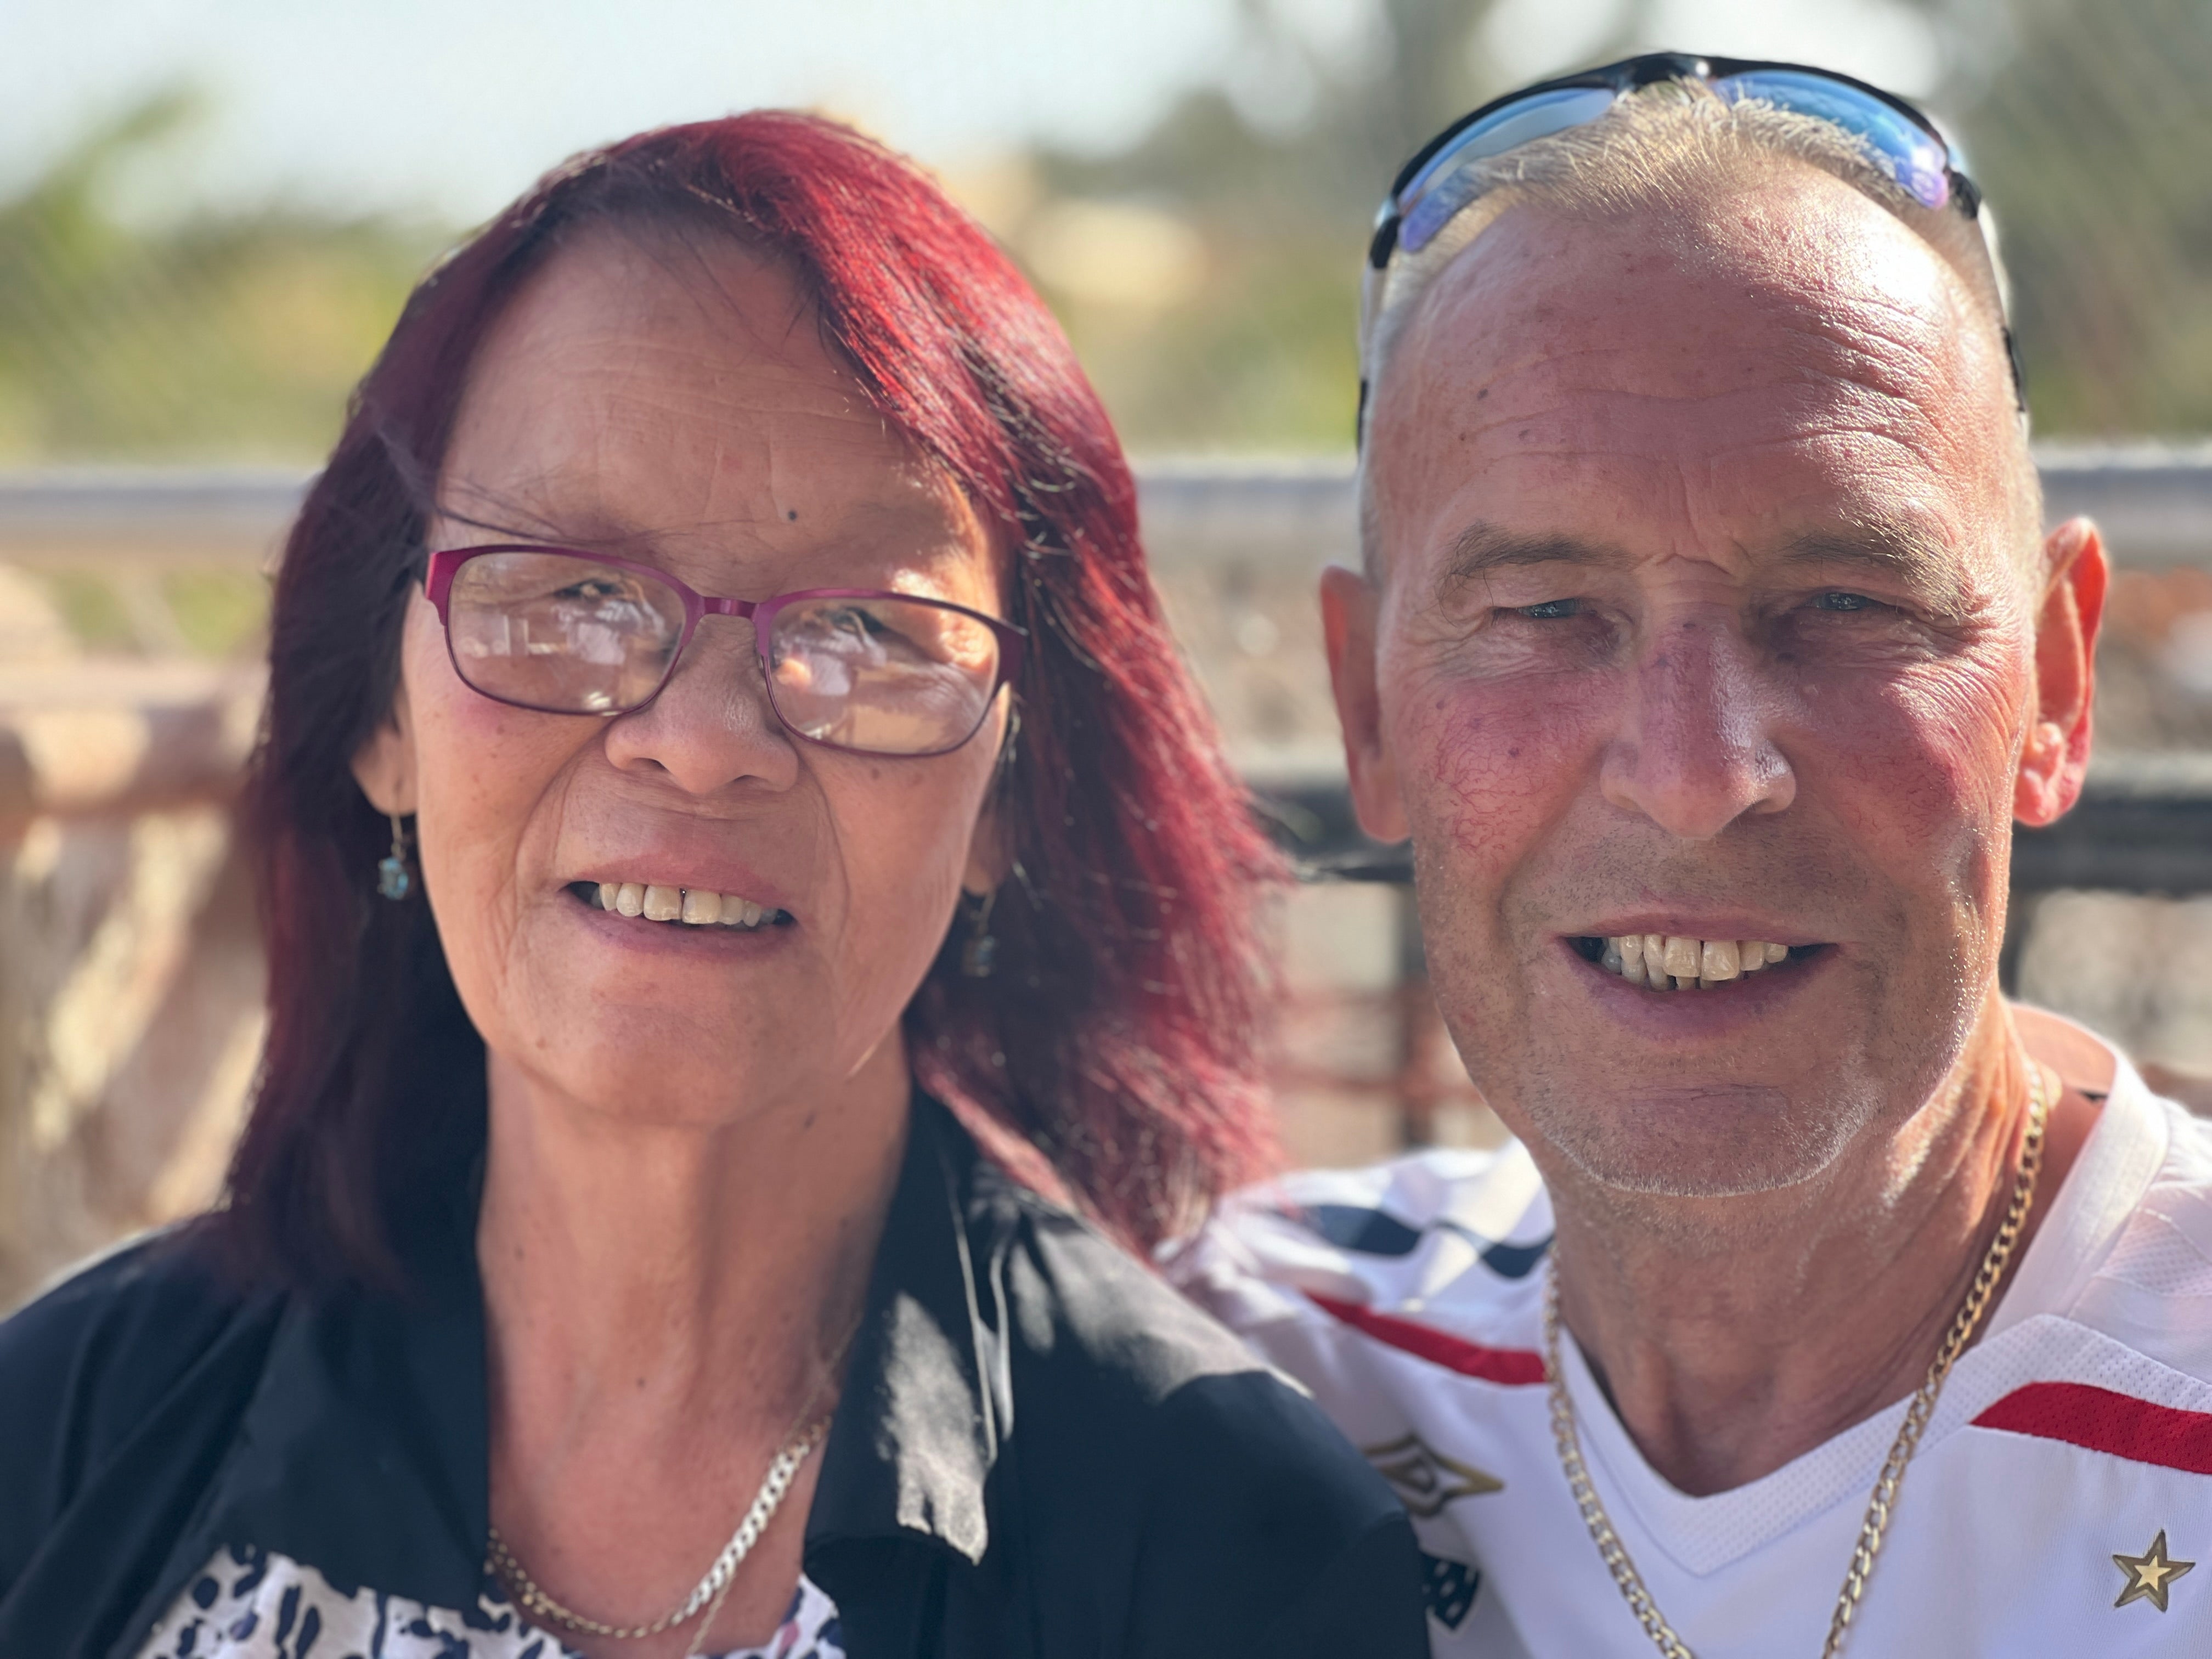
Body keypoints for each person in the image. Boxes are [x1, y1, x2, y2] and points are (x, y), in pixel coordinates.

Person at [0, 114, 1427, 1659]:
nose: (698, 741)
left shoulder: (1227, 1559)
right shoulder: (70, 1439)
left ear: (1013, 793)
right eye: (570, 598)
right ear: (380, 718)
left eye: (868, 634)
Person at [1175, 53, 2212, 1656]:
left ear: (2057, 688)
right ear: (1366, 712)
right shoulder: (1242, 1370)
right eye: (1541, 614)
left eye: (1849, 604)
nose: (1697, 772)